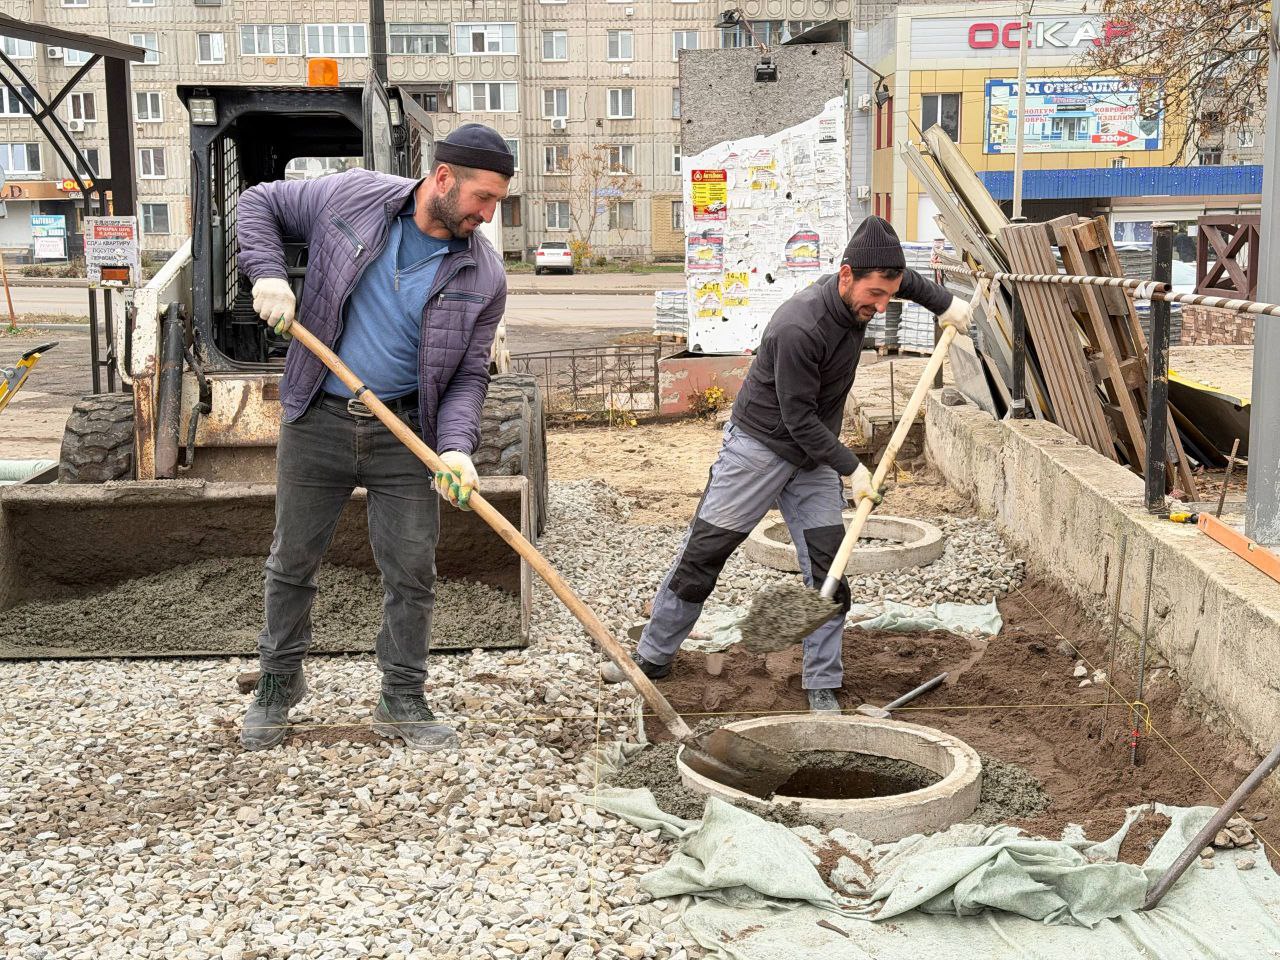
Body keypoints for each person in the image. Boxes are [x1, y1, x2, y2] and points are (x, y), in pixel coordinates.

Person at [602, 216, 971, 712]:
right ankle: (652, 656)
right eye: (874, 295)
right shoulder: (800, 326)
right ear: (845, 276)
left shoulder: (874, 285)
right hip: (758, 449)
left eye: (888, 295)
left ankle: (821, 681)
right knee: (704, 555)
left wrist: (947, 305)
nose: (881, 306)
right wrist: (852, 467)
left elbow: (908, 282)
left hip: (814, 457)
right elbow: (797, 419)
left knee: (828, 570)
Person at [235, 124, 514, 751]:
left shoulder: (483, 277)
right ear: (443, 178)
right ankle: (278, 683)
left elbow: (470, 374)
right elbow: (256, 204)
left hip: (405, 432)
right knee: (292, 559)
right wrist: (268, 275)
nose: (488, 214)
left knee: (413, 568)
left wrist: (457, 448)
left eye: (497, 201)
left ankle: (403, 696)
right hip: (318, 418)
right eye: (482, 198)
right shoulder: (352, 198)